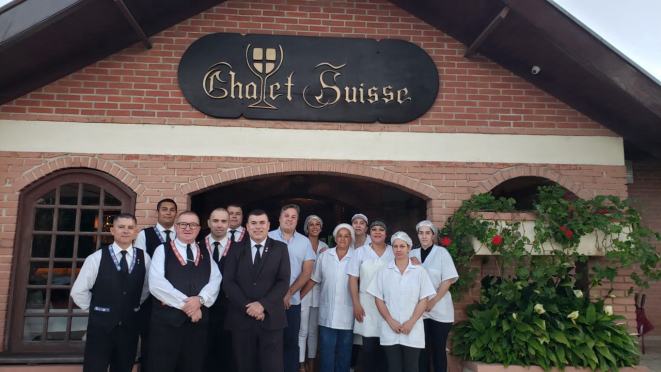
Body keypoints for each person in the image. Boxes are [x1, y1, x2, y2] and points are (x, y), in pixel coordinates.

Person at [71, 213, 150, 372]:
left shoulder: (144, 258)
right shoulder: (96, 258)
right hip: (101, 329)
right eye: (121, 227)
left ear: (136, 232)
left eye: (130, 228)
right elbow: (78, 291)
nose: (126, 231)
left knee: (123, 368)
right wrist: (98, 310)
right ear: (112, 230)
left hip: (129, 328)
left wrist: (128, 307)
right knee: (95, 368)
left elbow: (146, 289)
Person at [148, 211, 222, 372]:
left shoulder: (205, 252)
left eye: (193, 225)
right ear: (176, 226)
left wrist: (200, 300)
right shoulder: (162, 250)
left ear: (199, 228)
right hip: (166, 325)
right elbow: (156, 284)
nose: (188, 228)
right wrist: (189, 306)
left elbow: (215, 280)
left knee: (193, 366)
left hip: (197, 327)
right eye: (183, 224)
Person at [223, 209, 291, 372]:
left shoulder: (280, 248)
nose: (258, 227)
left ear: (268, 226)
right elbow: (228, 282)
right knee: (243, 366)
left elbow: (283, 282)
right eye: (253, 223)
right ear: (247, 226)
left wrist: (262, 305)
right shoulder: (235, 249)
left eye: (262, 223)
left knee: (272, 367)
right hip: (241, 319)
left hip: (271, 319)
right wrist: (249, 307)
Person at [367, 232, 435, 372]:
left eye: (402, 246)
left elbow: (424, 299)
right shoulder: (384, 271)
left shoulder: (419, 271)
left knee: (412, 367)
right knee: (394, 367)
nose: (398, 249)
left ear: (409, 248)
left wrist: (411, 322)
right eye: (395, 246)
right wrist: (390, 320)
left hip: (413, 329)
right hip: (390, 328)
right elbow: (378, 299)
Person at [269, 204, 316, 372]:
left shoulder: (304, 242)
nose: (289, 219)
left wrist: (289, 292)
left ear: (297, 221)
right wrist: (278, 295)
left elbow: (307, 271)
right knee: (270, 343)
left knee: (291, 343)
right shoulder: (267, 237)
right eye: (286, 215)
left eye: (293, 216)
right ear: (280, 218)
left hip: (292, 302)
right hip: (269, 303)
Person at [302, 223, 355, 372]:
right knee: (326, 348)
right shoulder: (325, 255)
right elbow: (314, 279)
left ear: (351, 239)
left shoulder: (357, 256)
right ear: (335, 238)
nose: (343, 239)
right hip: (327, 311)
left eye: (346, 236)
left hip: (348, 311)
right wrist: (298, 297)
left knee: (345, 348)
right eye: (340, 235)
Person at [134, 198, 178, 370]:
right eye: (164, 209)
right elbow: (141, 266)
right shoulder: (145, 235)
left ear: (176, 214)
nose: (168, 212)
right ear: (157, 212)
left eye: (172, 210)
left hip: (176, 297)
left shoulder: (182, 234)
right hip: (150, 298)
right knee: (150, 341)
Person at [410, 221, 459, 372]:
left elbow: (448, 279)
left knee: (438, 349)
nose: (424, 236)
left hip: (439, 309)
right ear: (417, 235)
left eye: (427, 233)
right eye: (421, 233)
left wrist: (433, 301)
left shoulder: (442, 254)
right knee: (421, 350)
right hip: (419, 311)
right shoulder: (411, 254)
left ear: (433, 236)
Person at [348, 221, 393, 372]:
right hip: (366, 303)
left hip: (389, 304)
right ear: (370, 233)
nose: (377, 232)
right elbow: (353, 279)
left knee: (386, 346)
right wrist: (356, 304)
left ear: (386, 234)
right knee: (368, 347)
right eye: (374, 229)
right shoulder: (360, 252)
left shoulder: (394, 251)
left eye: (381, 229)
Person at [198, 208, 237, 372]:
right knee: (202, 354)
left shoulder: (240, 249)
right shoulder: (197, 247)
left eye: (223, 221)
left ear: (229, 224)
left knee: (228, 356)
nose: (219, 225)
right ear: (208, 223)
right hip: (202, 310)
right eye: (215, 221)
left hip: (230, 310)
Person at [299, 215, 329, 372]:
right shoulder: (301, 244)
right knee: (302, 330)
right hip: (303, 293)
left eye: (318, 224)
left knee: (313, 331)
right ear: (306, 228)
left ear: (321, 228)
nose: (315, 227)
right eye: (311, 224)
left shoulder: (325, 247)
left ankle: (311, 364)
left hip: (319, 294)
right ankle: (301, 364)